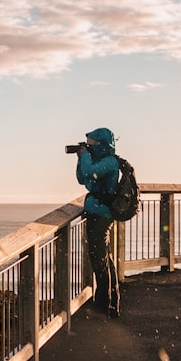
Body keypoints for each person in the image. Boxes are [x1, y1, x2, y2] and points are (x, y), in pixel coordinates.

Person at [75, 127, 121, 317]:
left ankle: (104, 305)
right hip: (97, 213)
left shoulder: (110, 162)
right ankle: (110, 303)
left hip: (102, 215)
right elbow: (82, 178)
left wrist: (84, 157)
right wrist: (81, 158)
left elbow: (90, 172)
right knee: (103, 258)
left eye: (91, 143)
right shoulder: (100, 160)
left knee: (99, 260)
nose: (89, 146)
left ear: (101, 144)